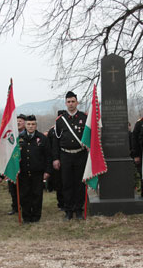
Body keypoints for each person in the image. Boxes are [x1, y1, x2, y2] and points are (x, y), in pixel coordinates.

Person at [52, 91, 88, 220]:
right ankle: (68, 210)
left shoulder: (84, 118)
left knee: (79, 183)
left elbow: (89, 137)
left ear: (77, 102)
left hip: (80, 154)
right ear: (65, 103)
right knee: (66, 184)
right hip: (65, 155)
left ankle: (78, 209)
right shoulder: (60, 120)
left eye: (73, 101)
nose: (71, 104)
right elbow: (55, 141)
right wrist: (56, 158)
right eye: (68, 102)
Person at [18, 115, 52, 223]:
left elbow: (48, 156)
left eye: (33, 124)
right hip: (23, 172)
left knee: (37, 195)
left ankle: (36, 216)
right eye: (28, 124)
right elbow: (14, 156)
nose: (31, 126)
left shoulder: (42, 138)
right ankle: (26, 216)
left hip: (37, 172)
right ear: (25, 125)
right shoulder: (19, 138)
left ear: (36, 125)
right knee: (24, 195)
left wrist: (47, 171)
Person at [7, 114, 27, 216]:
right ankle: (15, 207)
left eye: (21, 121)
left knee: (24, 189)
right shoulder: (11, 135)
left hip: (24, 166)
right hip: (13, 166)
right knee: (13, 189)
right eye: (17, 121)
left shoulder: (27, 135)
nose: (18, 123)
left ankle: (24, 206)